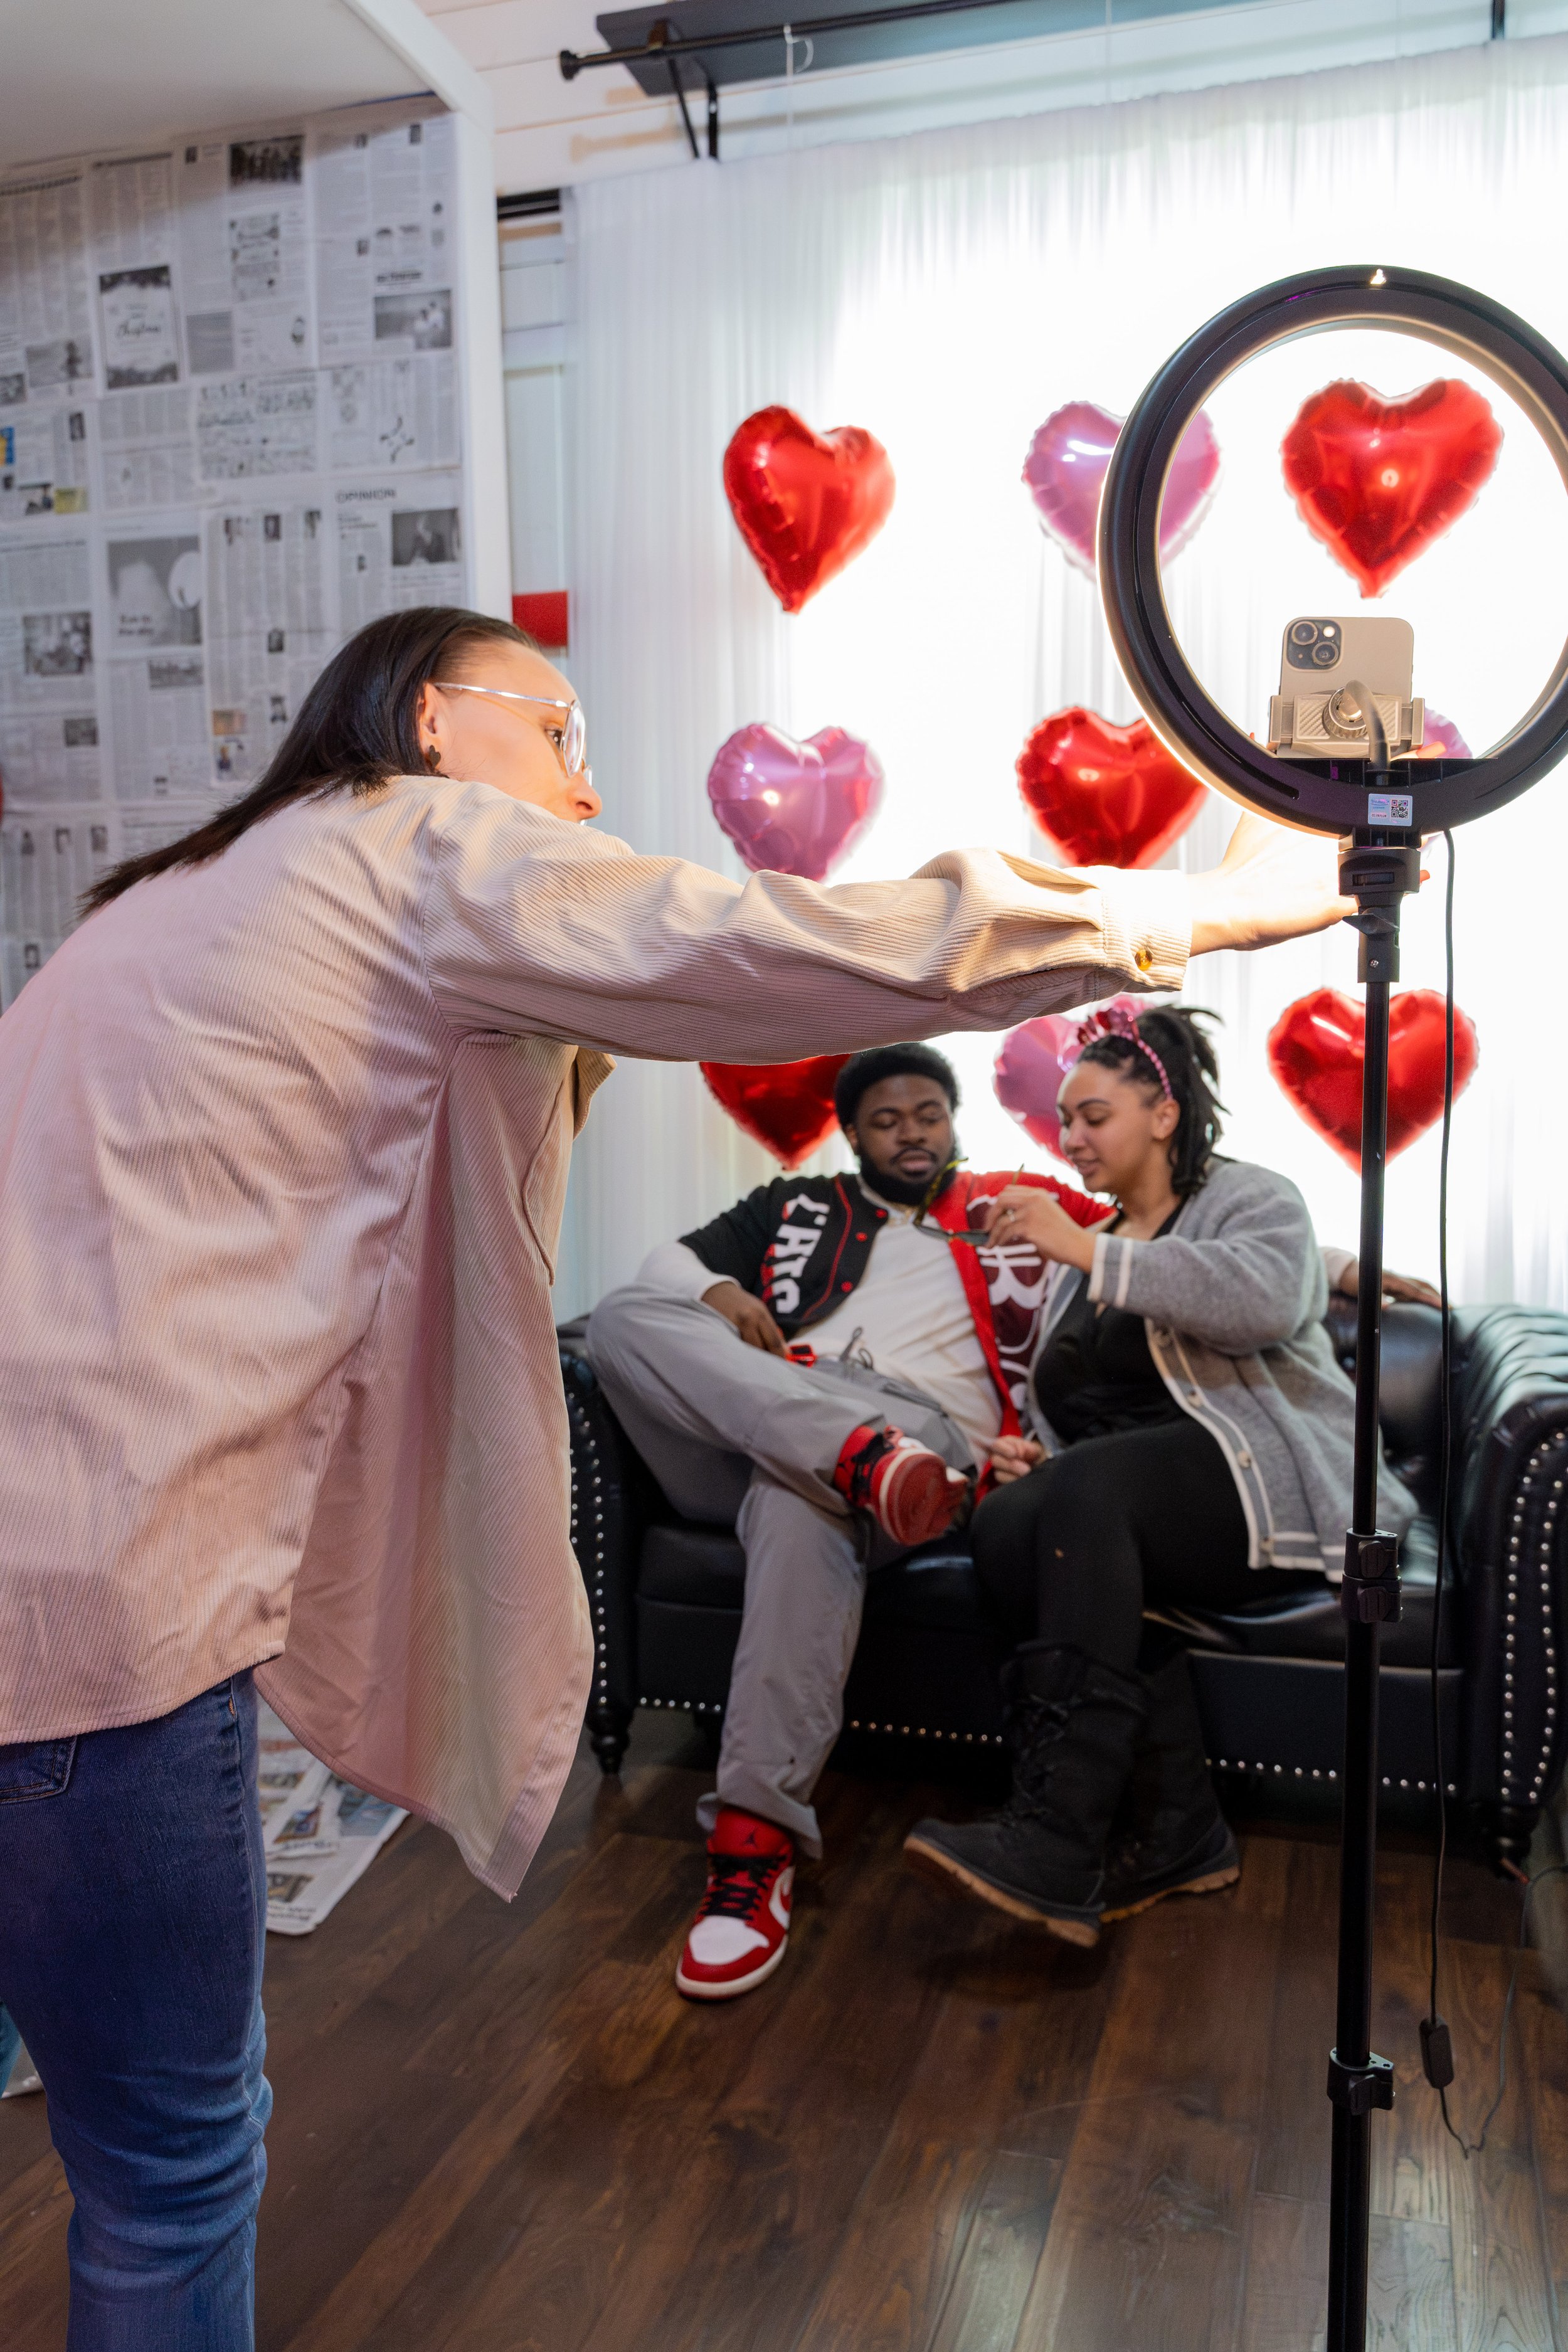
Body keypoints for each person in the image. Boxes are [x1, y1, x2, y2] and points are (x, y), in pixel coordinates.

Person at [0, 600, 1348, 2348]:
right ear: (428, 723)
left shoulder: (163, 903)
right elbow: (756, 937)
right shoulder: (419, 849)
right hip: (93, 1615)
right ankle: (830, 1501)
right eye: (556, 733)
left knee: (811, 1490)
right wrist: (1166, 907)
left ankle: (777, 1741)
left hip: (65, 1570)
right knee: (171, 2170)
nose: (582, 782)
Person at [586, 1039, 1428, 2003]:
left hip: (918, 1431)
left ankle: (758, 1847)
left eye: (929, 1114)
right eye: (886, 1120)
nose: (911, 1133)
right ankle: (850, 1453)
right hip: (784, 1411)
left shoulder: (1006, 1209)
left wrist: (1350, 1265)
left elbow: (1190, 1247)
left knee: (805, 1491)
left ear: (955, 1123)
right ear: (851, 1132)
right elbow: (669, 1268)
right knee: (622, 1318)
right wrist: (721, 1293)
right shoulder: (792, 1206)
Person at [903, 1004, 1417, 1946]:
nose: (1073, 1137)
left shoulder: (1249, 1199)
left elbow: (1261, 1296)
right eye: (1066, 1119)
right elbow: (1086, 1410)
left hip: (1263, 1484)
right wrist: (1040, 1460)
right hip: (1136, 1497)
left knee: (1089, 1490)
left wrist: (1087, 1248)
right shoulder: (1083, 1251)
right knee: (1007, 1519)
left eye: (1094, 1114)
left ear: (1164, 1112)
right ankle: (1181, 1825)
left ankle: (1058, 1834)